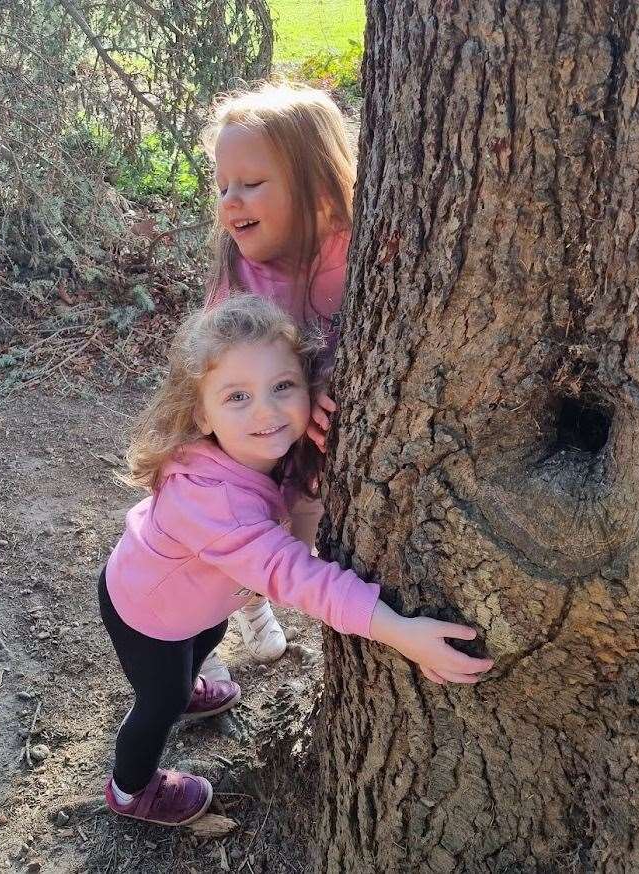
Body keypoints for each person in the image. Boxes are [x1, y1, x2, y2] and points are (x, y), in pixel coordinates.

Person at [99, 295, 494, 827]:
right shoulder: (212, 503)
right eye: (237, 396)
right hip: (147, 613)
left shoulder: (255, 448)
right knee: (159, 700)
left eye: (283, 387)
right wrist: (397, 628)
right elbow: (297, 577)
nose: (266, 410)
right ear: (200, 413)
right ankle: (131, 791)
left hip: (195, 602)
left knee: (209, 637)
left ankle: (188, 684)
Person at [200, 81, 355, 668]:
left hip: (314, 458)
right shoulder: (244, 274)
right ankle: (202, 637)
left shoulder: (359, 252)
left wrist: (333, 377)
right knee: (233, 546)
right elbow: (221, 363)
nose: (230, 201)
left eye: (252, 184)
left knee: (296, 542)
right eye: (223, 187)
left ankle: (262, 601)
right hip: (246, 450)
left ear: (318, 190)